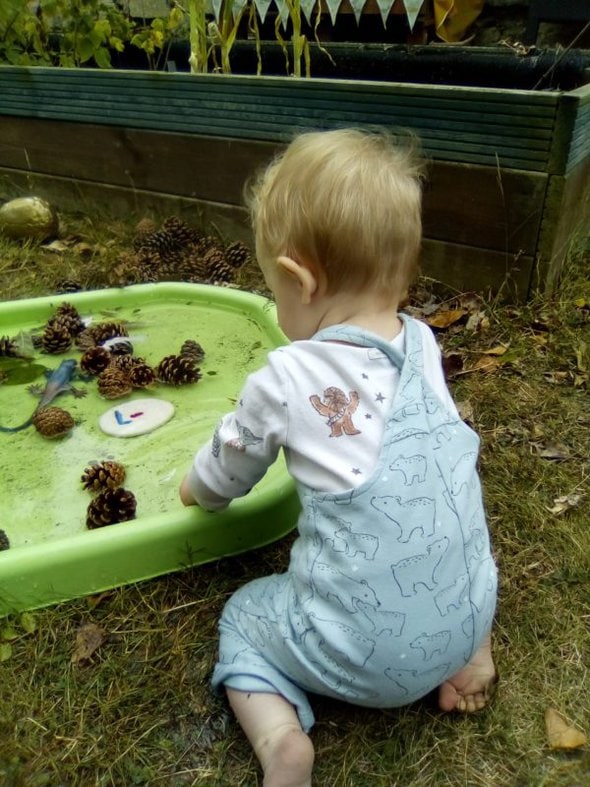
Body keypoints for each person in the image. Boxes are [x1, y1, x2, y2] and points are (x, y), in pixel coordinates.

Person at [180, 128, 498, 787]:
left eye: (275, 287)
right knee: (447, 526)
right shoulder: (423, 346)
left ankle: (281, 738)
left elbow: (228, 470)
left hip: (366, 656)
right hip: (470, 615)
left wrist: (194, 486)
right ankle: (469, 657)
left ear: (301, 278)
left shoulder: (287, 375)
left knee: (243, 614)